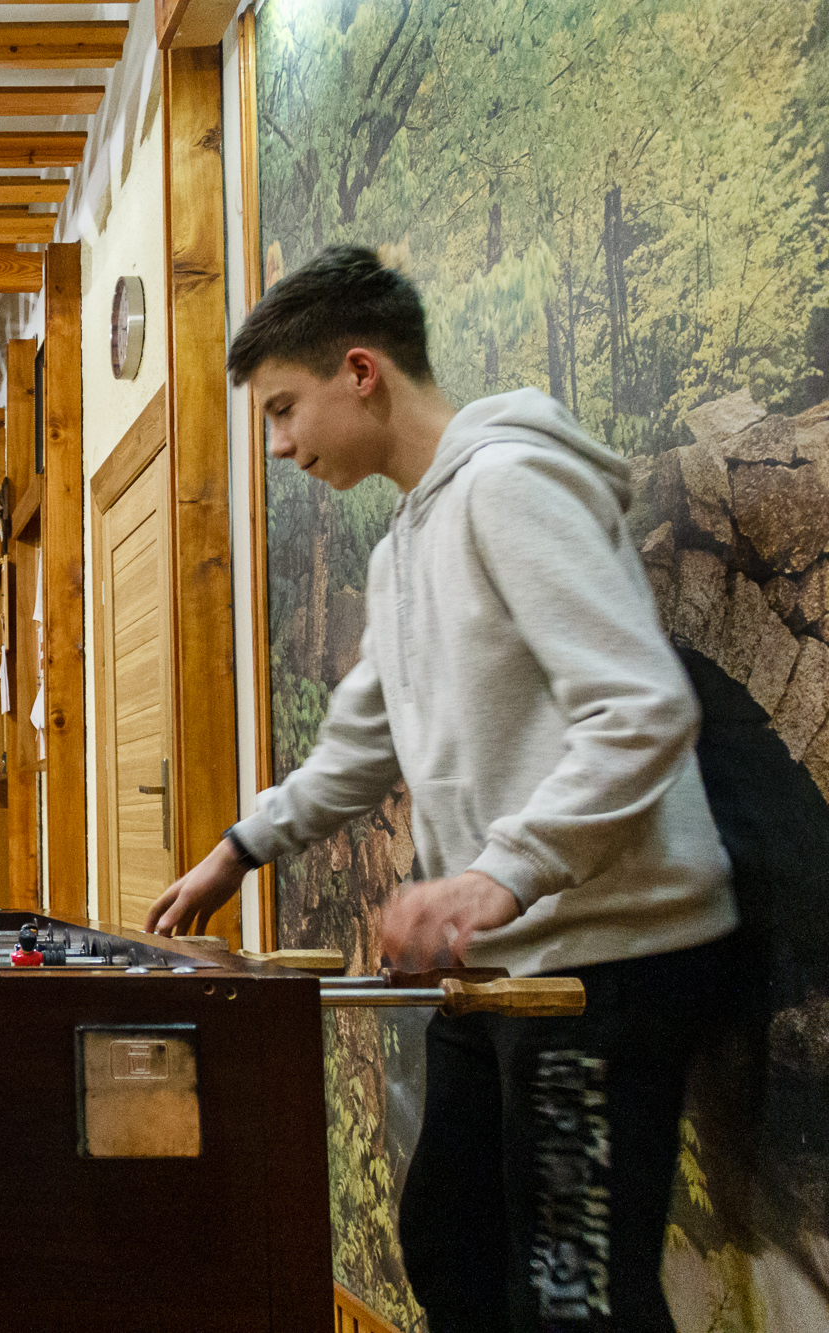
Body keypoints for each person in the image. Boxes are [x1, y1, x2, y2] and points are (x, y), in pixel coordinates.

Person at [145, 246, 736, 1332]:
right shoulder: (402, 548)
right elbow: (359, 745)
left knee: (572, 1297)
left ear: (359, 371)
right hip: (510, 961)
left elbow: (641, 707)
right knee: (448, 1242)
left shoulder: (511, 486)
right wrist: (240, 846)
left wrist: (493, 876)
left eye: (282, 410)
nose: (278, 445)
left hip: (603, 963)